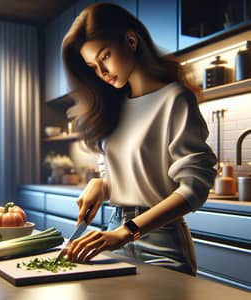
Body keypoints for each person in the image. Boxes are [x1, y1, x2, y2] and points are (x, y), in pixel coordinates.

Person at [61, 2, 217, 276]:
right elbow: (135, 177)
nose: (102, 72)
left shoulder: (174, 99)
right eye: (93, 66)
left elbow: (194, 189)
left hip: (162, 246)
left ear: (131, 41)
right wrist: (103, 184)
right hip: (113, 236)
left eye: (105, 57)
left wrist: (128, 230)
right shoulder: (113, 107)